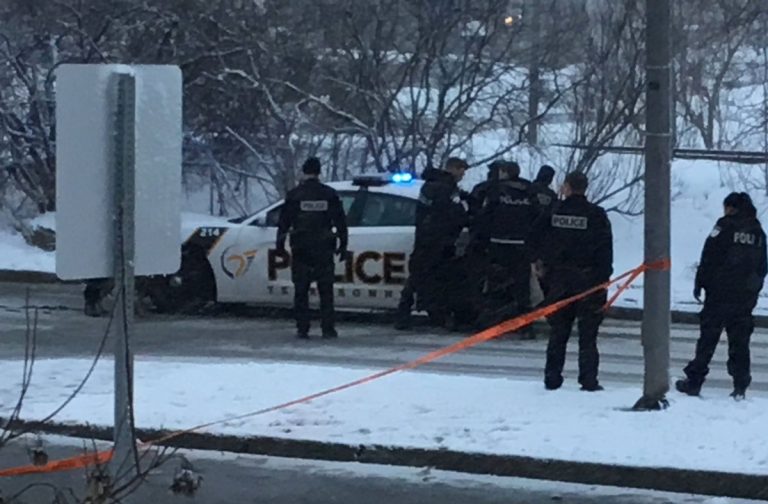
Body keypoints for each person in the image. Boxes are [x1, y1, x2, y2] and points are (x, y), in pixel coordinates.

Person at [676, 192, 767, 400]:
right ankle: (740, 386)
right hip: (744, 298)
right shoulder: (758, 232)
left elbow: (709, 255)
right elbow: (762, 267)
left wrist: (701, 283)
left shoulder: (724, 226)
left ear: (731, 208)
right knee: (740, 343)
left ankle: (694, 382)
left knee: (707, 341)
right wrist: (752, 291)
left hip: (719, 295)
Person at [533, 171, 613, 392]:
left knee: (558, 333)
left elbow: (534, 238)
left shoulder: (553, 211)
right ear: (584, 188)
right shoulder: (596, 215)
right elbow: (605, 251)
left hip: (558, 281)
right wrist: (603, 280)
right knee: (588, 336)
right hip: (588, 282)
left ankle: (552, 377)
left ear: (567, 186)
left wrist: (541, 267)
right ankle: (588, 380)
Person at [277, 157, 348, 339]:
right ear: (319, 172)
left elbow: (283, 222)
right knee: (326, 290)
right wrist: (343, 245)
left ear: (303, 171)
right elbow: (340, 221)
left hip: (301, 247)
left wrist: (279, 245)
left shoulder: (294, 195)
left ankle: (303, 328)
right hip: (324, 247)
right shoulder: (329, 194)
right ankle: (328, 328)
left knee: (301, 290)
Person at [395, 158, 469, 329]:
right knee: (433, 279)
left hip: (427, 239)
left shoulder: (431, 185)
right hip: (437, 240)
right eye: (461, 171)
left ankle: (411, 314)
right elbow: (453, 214)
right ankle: (427, 315)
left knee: (419, 278)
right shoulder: (444, 188)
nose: (463, 175)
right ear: (453, 169)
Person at [476, 161, 539, 336]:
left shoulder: (495, 189)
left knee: (494, 284)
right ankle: (526, 326)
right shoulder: (529, 190)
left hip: (498, 244)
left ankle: (491, 322)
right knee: (522, 289)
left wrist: (481, 238)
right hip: (521, 246)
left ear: (504, 172)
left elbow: (485, 216)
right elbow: (537, 216)